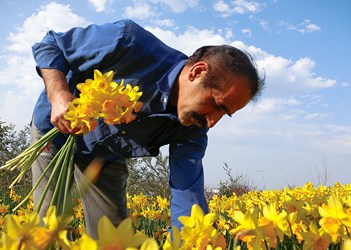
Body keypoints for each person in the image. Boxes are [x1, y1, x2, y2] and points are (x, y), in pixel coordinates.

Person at [30, 19, 264, 238]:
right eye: (217, 104)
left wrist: (192, 240)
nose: (212, 121)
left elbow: (186, 195)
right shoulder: (128, 42)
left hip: (105, 154)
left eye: (225, 114)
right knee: (48, 227)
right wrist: (59, 94)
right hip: (56, 132)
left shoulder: (193, 127)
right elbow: (50, 44)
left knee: (114, 237)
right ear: (197, 72)